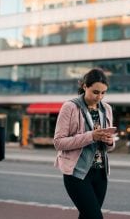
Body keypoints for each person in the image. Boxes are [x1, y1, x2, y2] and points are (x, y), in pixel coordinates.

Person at [54, 68, 116, 219]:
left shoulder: (106, 108)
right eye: (95, 92)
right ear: (84, 86)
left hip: (100, 173)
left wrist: (109, 141)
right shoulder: (70, 107)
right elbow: (58, 142)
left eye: (103, 93)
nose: (99, 97)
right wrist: (91, 136)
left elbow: (108, 147)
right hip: (77, 173)